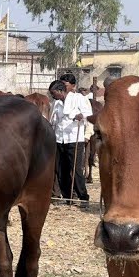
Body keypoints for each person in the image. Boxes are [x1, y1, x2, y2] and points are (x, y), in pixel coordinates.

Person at [51, 74, 91, 203]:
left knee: (76, 169)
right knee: (61, 169)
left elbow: (88, 113)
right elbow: (53, 120)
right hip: (59, 138)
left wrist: (81, 116)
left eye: (65, 84)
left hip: (74, 138)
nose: (62, 86)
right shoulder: (56, 102)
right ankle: (68, 196)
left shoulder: (78, 98)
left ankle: (83, 197)